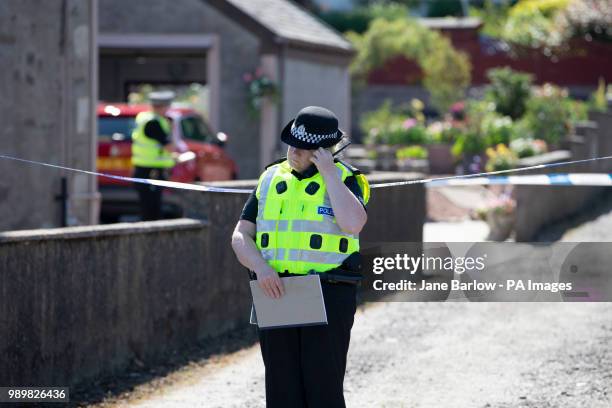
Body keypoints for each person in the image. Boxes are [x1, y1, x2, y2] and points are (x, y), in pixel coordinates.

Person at [231, 106, 370, 408]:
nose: (294, 151)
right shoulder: (269, 177)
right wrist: (260, 267)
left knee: (323, 389)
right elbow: (241, 235)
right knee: (281, 389)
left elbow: (352, 223)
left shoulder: (346, 179)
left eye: (304, 148)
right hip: (277, 290)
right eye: (292, 143)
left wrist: (329, 172)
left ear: (323, 150)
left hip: (328, 291)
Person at [131, 91, 176, 221]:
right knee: (152, 210)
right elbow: (169, 146)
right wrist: (172, 129)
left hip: (144, 168)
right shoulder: (153, 122)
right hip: (151, 170)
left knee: (149, 207)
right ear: (163, 106)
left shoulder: (144, 117)